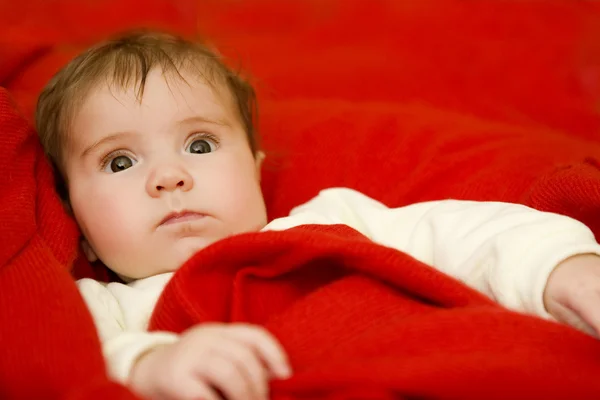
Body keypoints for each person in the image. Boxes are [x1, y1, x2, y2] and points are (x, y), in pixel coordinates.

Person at [35, 30, 600, 400]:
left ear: (256, 170)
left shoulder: (330, 218)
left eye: (200, 145)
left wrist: (560, 268)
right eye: (120, 160)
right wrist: (155, 367)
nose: (169, 177)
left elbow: (461, 232)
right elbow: (79, 364)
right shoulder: (101, 308)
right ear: (75, 222)